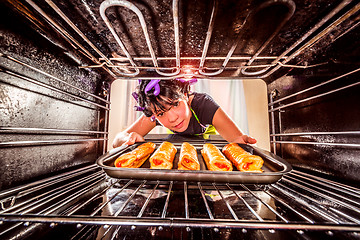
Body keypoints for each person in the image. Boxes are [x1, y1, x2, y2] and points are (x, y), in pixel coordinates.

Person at [112, 79, 257, 148]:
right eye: (161, 114)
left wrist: (242, 140)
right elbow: (116, 141)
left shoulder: (203, 105)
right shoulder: (154, 111)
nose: (172, 118)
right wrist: (127, 139)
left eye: (175, 104)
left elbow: (237, 138)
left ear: (186, 95)